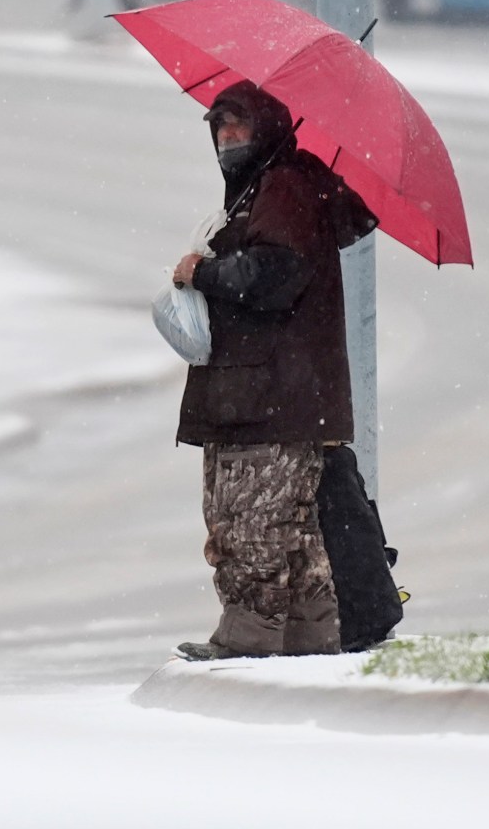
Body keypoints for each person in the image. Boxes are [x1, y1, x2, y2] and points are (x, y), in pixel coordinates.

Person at [170, 81, 377, 661]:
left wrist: (202, 274)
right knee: (294, 530)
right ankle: (311, 637)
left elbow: (274, 275)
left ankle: (249, 639)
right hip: (277, 392)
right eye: (220, 127)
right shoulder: (269, 187)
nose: (228, 137)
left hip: (269, 394)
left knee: (249, 520)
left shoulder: (282, 186)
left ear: (267, 130)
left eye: (239, 126)